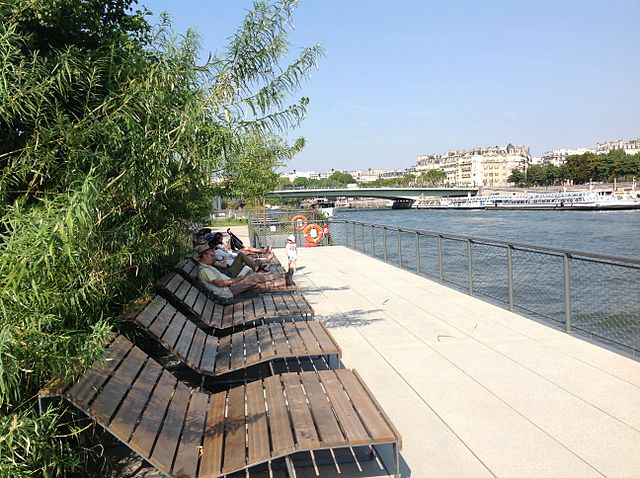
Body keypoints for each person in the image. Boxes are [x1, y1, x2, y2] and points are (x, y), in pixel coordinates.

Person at [195, 244, 292, 298]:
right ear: (204, 256)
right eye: (211, 255)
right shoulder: (204, 270)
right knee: (255, 277)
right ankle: (283, 275)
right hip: (228, 291)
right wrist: (237, 279)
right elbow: (219, 284)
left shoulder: (207, 267)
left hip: (229, 287)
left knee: (257, 286)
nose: (213, 258)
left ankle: (284, 280)